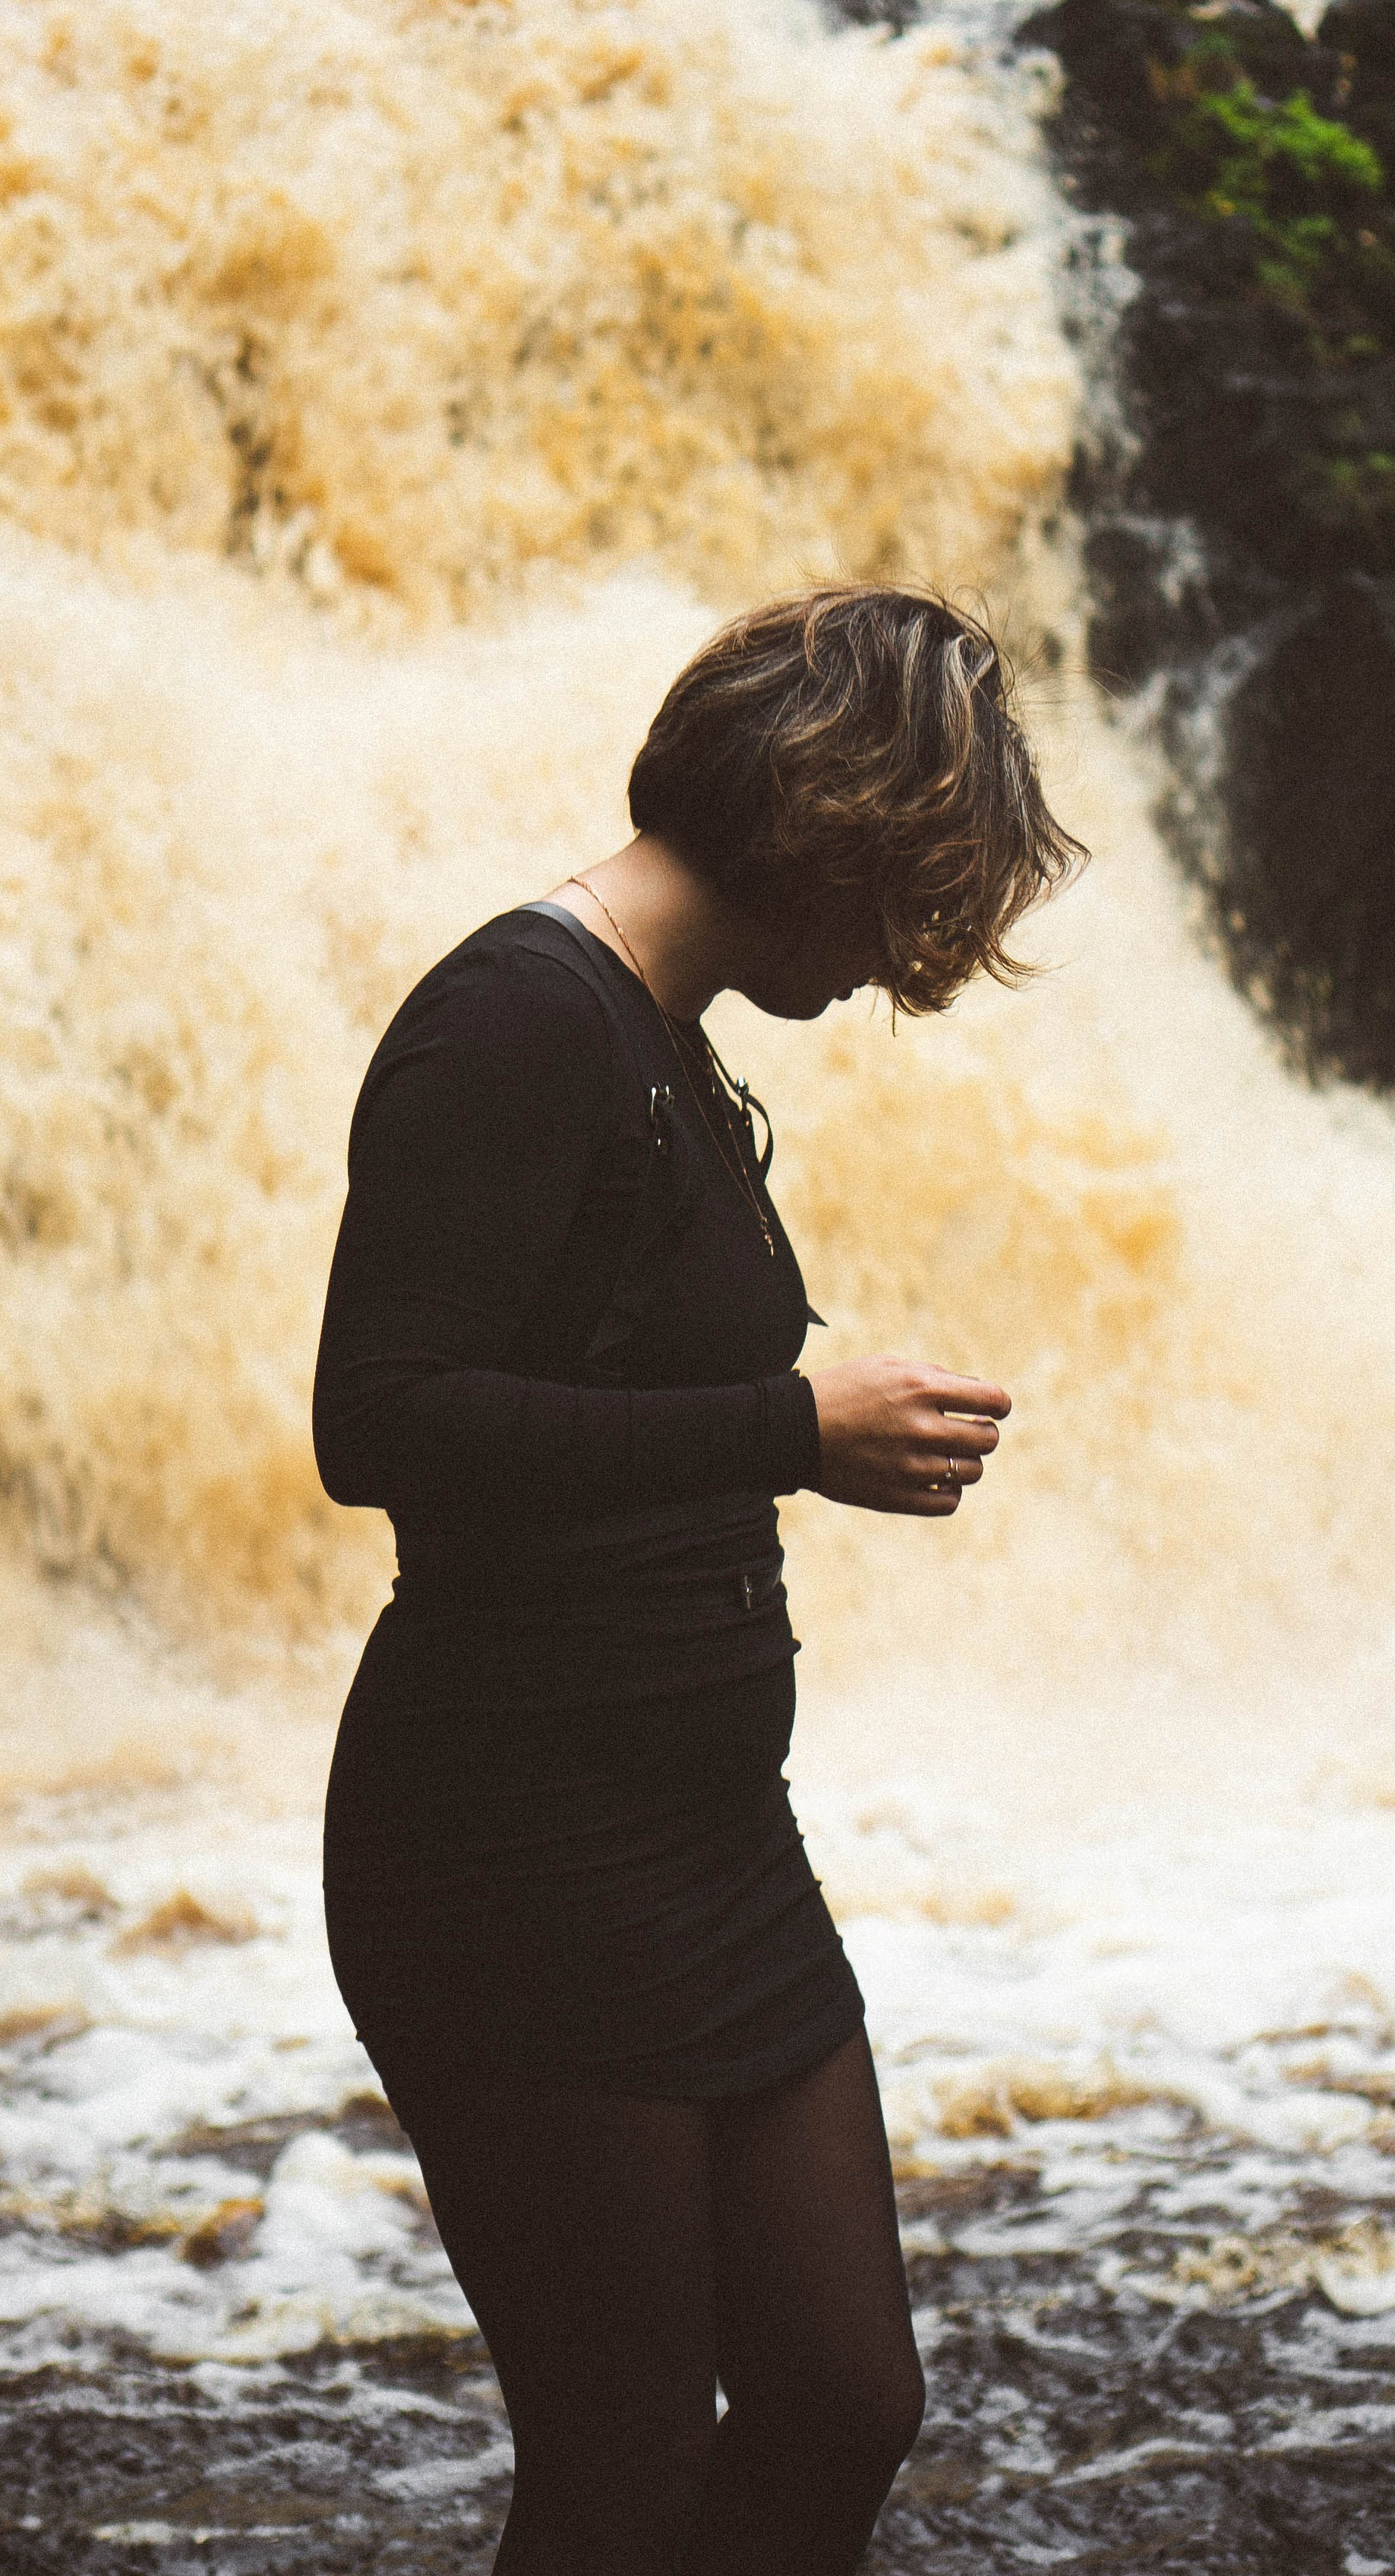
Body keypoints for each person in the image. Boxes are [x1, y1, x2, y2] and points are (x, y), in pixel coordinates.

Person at [314, 583, 1083, 2574]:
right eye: (920, 894)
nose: (914, 957)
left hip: (698, 1834)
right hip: (513, 1840)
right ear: (840, 834)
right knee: (626, 2451)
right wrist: (790, 1431)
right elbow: (380, 1422)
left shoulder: (656, 1037)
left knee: (843, 2398)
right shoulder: (517, 1017)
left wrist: (810, 1428)